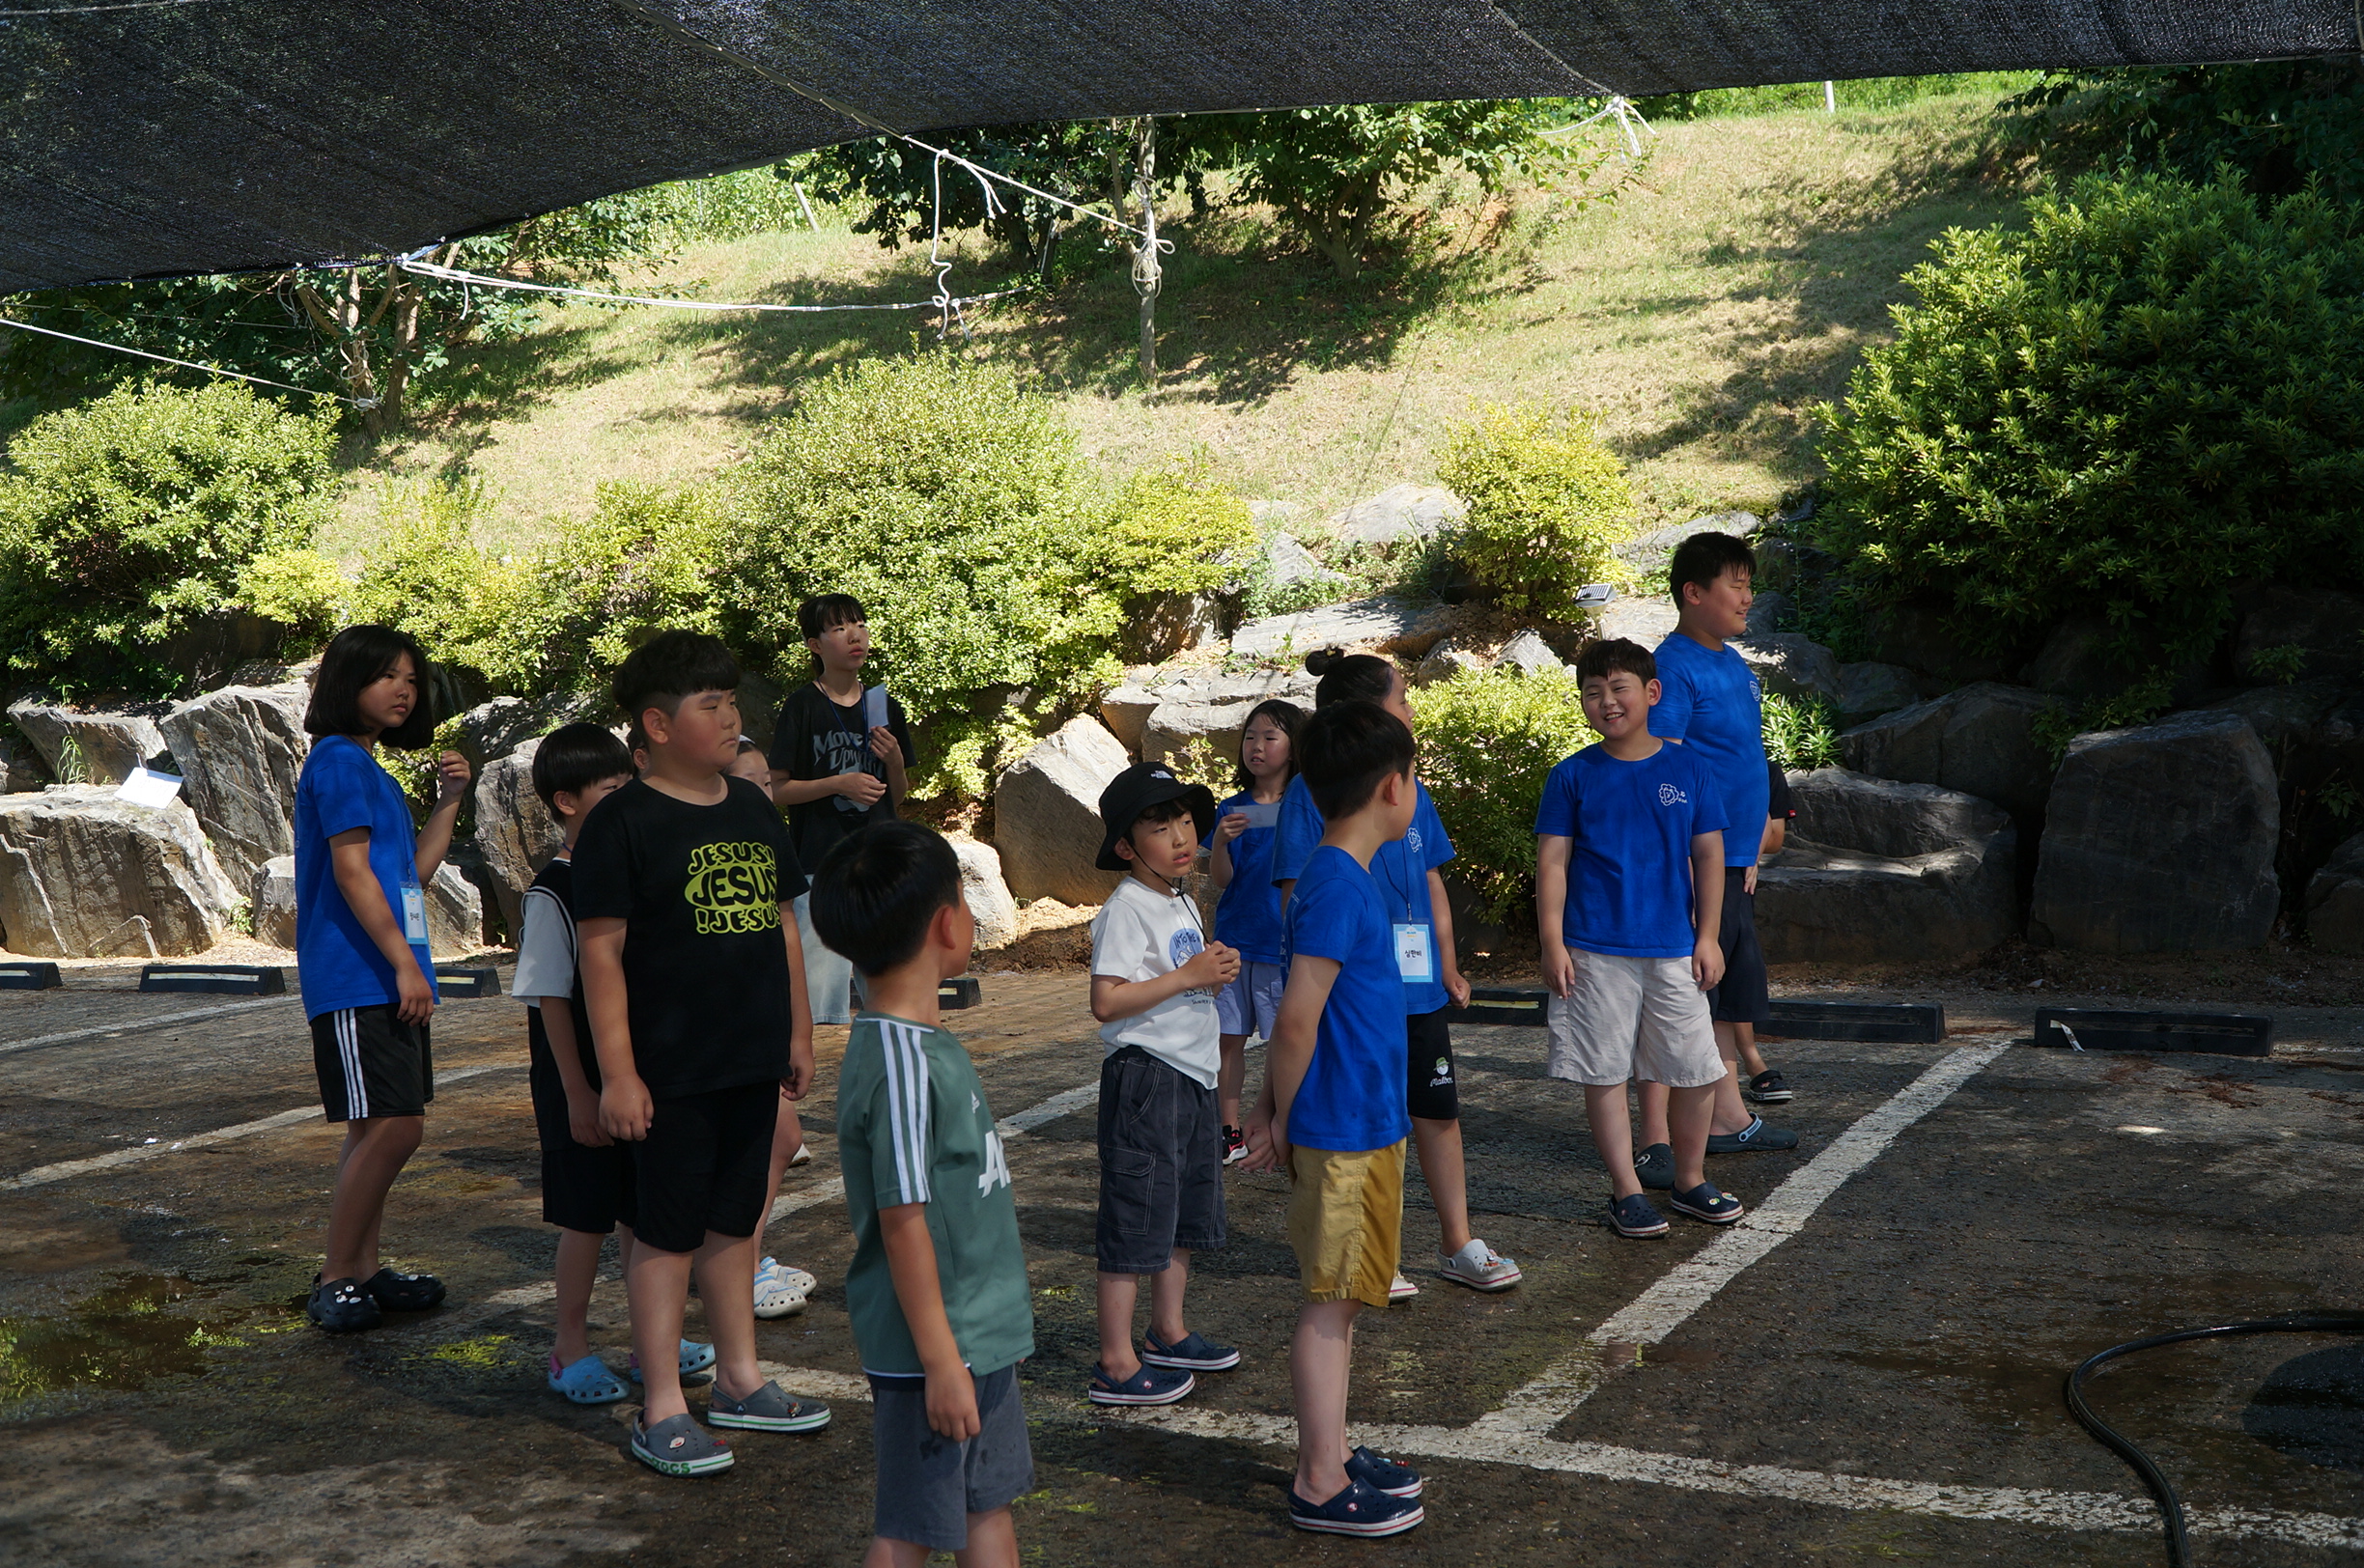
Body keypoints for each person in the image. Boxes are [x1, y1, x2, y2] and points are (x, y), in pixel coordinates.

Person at [574, 630, 830, 1476]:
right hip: (669, 1072)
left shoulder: (753, 808)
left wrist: (798, 1031)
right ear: (656, 725)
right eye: (710, 705)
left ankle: (740, 1380)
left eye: (732, 703)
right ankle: (661, 1405)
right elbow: (600, 955)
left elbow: (785, 927)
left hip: (751, 1060)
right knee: (665, 1232)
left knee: (735, 1222)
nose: (730, 718)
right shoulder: (621, 823)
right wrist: (618, 1074)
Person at [814, 822, 1035, 1568]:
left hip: (977, 1335)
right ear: (948, 924)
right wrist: (941, 1362)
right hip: (938, 1349)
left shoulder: (913, 1044)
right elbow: (902, 1219)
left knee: (986, 1504)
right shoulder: (902, 1061)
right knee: (910, 1528)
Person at [1271, 650, 1520, 1298]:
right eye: (1402, 698)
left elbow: (1430, 878)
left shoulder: (1409, 786)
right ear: (1364, 715)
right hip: (1352, 996)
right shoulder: (1316, 798)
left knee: (1433, 1108)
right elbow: (1298, 901)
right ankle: (1374, 1247)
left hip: (1414, 988)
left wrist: (1448, 964)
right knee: (1366, 1117)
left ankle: (1456, 1241)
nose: (1411, 709)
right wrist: (1278, 1113)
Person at [1242, 701, 1429, 1537]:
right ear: (1392, 788)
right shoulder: (1336, 883)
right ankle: (1318, 1480)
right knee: (1332, 1303)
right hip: (1344, 1127)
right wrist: (1282, 1113)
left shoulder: (1340, 875)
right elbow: (1295, 1019)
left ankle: (1337, 1452)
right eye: (1414, 778)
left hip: (1363, 1120)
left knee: (1346, 1298)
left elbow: (1303, 1019)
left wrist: (1269, 1102)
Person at [1535, 637, 1748, 1240]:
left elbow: (1709, 856)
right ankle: (1626, 1190)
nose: (1606, 701)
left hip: (1674, 947)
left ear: (1652, 693)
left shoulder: (1689, 768)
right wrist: (1552, 943)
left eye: (1619, 688)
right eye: (1592, 692)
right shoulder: (1572, 775)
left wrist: (1708, 936)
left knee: (1696, 1066)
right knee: (1603, 1072)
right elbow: (1552, 863)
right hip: (1593, 950)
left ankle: (1689, 1179)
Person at [294, 625, 472, 1333]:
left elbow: (409, 877)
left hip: (386, 973)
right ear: (348, 684)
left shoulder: (371, 769)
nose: (404, 690)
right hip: (359, 974)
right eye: (386, 677)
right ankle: (337, 1275)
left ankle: (362, 1270)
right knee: (396, 1128)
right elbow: (350, 872)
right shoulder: (339, 760)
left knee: (376, 1127)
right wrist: (402, 962)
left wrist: (449, 800)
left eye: (411, 679)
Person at [514, 722, 692, 1402]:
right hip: (580, 1082)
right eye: (612, 791)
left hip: (634, 1077)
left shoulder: (626, 874)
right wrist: (578, 1092)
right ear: (566, 802)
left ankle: (653, 1344)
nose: (628, 802)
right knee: (586, 1215)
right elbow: (550, 1001)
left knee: (641, 1208)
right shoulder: (552, 890)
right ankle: (570, 1347)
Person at [1632, 532, 1798, 1190]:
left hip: (1732, 861)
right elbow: (1663, 766)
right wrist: (1684, 860)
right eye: (1736, 583)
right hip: (1694, 863)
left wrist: (1748, 847)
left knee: (1721, 993)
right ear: (1693, 593)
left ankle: (1726, 1118)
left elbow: (1742, 761)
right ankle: (1655, 1140)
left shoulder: (1733, 664)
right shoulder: (1673, 667)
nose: (1747, 597)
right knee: (1678, 993)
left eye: (1749, 584)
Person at [1084, 762, 1241, 1407]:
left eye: (1184, 820)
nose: (1180, 836)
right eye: (1158, 826)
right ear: (1126, 847)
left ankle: (1167, 1331)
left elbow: (1181, 976)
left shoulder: (1179, 898)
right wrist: (1189, 976)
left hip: (1192, 1074)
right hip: (1148, 1076)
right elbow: (1106, 1000)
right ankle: (1116, 1362)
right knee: (1136, 1214)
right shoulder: (1126, 907)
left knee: (1181, 1211)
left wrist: (1211, 972)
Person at [769, 594, 915, 1027]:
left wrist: (894, 762)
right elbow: (776, 789)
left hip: (880, 864)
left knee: (890, 997)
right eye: (840, 628)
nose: (855, 636)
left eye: (860, 625)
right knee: (818, 1005)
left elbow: (896, 797)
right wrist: (838, 783)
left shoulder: (883, 705)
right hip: (822, 866)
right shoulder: (802, 706)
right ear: (815, 645)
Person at [732, 737, 817, 1321]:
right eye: (750, 783)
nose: (764, 793)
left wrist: (798, 1033)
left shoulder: (768, 836)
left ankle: (746, 1257)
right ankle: (740, 1265)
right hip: (722, 1030)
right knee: (769, 1144)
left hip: (763, 1022)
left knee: (782, 1140)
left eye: (768, 782)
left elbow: (788, 932)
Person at [1205, 698, 1303, 1164]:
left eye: (1269, 737)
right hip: (1234, 941)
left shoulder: (1304, 806)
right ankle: (1229, 1131)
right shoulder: (1231, 808)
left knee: (1285, 1037)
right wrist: (1222, 842)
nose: (1256, 747)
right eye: (1249, 737)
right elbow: (1222, 880)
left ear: (1294, 747)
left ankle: (1281, 1124)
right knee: (1229, 1039)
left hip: (1279, 944)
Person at [1735, 760, 1796, 1106]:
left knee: (1738, 970)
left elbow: (1774, 839)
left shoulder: (1763, 768)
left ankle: (1750, 1058)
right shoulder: (1683, 759)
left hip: (1734, 879)